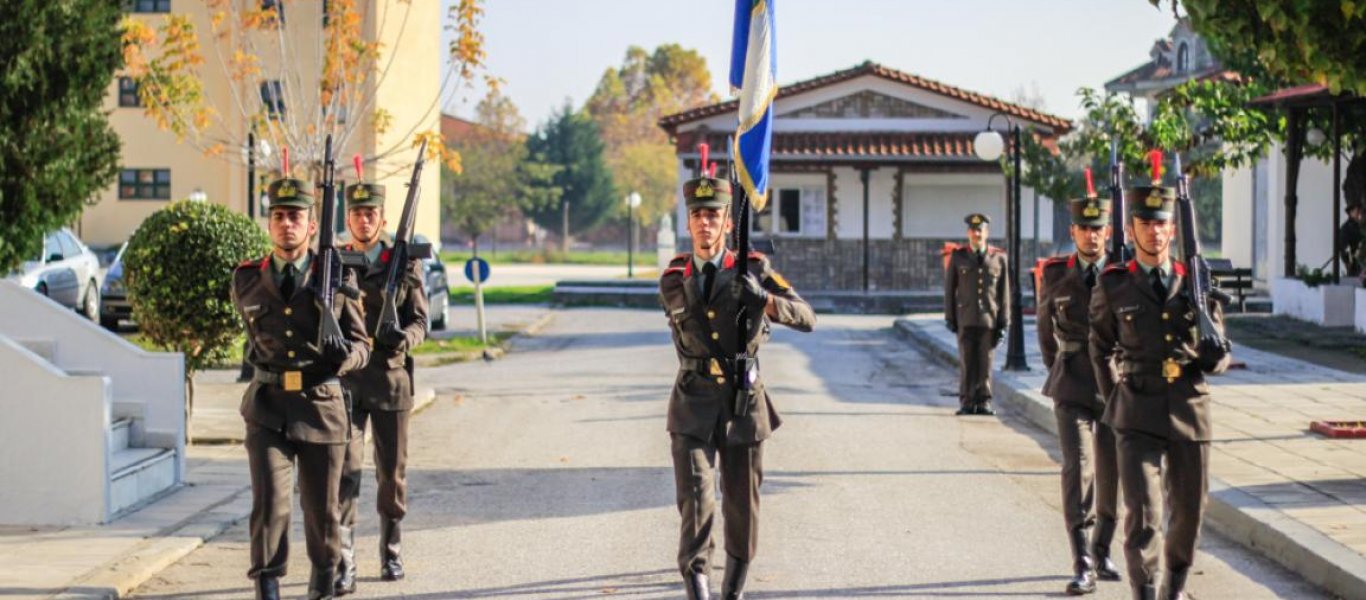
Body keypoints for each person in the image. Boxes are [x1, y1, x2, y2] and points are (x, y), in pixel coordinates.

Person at [658, 174, 816, 600]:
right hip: (692, 402)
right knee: (696, 500)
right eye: (697, 215)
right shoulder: (673, 277)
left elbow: (807, 317)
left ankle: (733, 589)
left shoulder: (754, 268)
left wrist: (763, 300)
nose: (704, 223)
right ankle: (698, 585)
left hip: (743, 405)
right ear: (688, 223)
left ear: (728, 223)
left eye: (713, 215)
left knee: (741, 505)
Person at [1089, 185, 1231, 600]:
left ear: (1173, 229)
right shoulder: (1114, 283)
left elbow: (1220, 351)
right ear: (1132, 230)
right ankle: (1146, 591)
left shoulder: (1197, 280)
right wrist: (1115, 398)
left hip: (1190, 410)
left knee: (1188, 514)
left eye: (1162, 224)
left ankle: (1175, 587)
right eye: (1146, 224)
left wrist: (1211, 357)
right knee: (1144, 515)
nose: (1154, 232)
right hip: (1136, 411)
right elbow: (1100, 347)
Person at [232, 176, 371, 600]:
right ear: (269, 223)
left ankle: (324, 581)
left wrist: (345, 357)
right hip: (268, 406)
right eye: (278, 216)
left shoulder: (336, 276)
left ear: (312, 225)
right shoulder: (246, 279)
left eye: (295, 216)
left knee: (321, 511)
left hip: (321, 406)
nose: (286, 224)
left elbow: (364, 343)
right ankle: (268, 586)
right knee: (270, 505)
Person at [334, 181, 428, 594]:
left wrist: (403, 337)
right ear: (348, 218)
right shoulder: (335, 262)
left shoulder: (403, 261)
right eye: (357, 213)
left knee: (391, 475)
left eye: (371, 213)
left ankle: (391, 550)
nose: (364, 219)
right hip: (347, 383)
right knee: (345, 474)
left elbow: (422, 321)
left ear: (382, 219)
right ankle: (344, 559)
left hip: (391, 380)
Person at [1037, 196, 1122, 595]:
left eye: (1097, 228)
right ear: (1073, 232)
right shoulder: (1055, 274)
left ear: (1107, 232)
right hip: (1071, 385)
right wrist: (1060, 364)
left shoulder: (1122, 275)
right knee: (1079, 468)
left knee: (1112, 472)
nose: (1091, 234)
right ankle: (1083, 560)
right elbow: (1043, 329)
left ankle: (1104, 549)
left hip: (1114, 387)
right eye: (1083, 228)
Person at [944, 213, 1009, 415]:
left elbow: (1004, 293)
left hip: (989, 319)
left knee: (985, 363)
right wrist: (950, 317)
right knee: (967, 362)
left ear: (987, 232)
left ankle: (984, 402)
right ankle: (966, 401)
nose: (976, 234)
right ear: (968, 233)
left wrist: (1004, 322)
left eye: (980, 230)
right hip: (966, 318)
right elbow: (950, 290)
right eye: (973, 230)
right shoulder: (958, 257)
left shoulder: (999, 258)